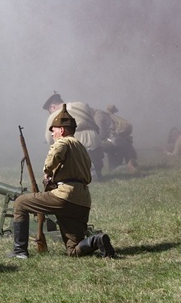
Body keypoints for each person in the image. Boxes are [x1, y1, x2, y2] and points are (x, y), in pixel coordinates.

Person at [8, 105, 116, 259]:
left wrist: (48, 171)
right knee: (73, 249)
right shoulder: (81, 147)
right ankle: (96, 241)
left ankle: (19, 252)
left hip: (65, 196)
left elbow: (55, 156)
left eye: (54, 129)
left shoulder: (62, 142)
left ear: (62, 130)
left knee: (20, 203)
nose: (52, 133)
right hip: (82, 201)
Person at [43, 92, 104, 180]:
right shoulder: (81, 105)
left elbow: (49, 138)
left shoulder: (54, 115)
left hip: (76, 145)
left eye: (50, 111)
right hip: (94, 140)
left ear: (53, 106)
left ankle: (88, 172)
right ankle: (95, 171)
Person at [104, 104, 138, 171]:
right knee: (127, 160)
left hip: (115, 141)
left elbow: (105, 132)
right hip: (123, 141)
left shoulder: (107, 118)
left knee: (113, 168)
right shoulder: (117, 118)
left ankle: (128, 167)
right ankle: (131, 166)